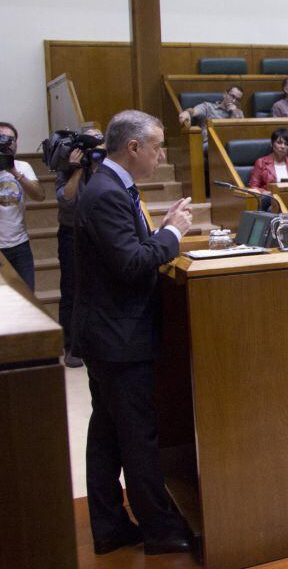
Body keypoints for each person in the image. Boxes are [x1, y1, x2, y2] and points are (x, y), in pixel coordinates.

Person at [71, 110, 194, 556]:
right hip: (118, 338)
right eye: (158, 145)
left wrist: (160, 229)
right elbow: (131, 264)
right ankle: (160, 530)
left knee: (107, 432)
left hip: (110, 334)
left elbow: (131, 248)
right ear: (134, 147)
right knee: (137, 436)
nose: (163, 154)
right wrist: (173, 236)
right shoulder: (106, 192)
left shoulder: (111, 186)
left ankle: (108, 525)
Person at [55, 127, 105, 368]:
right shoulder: (65, 166)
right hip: (71, 234)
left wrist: (96, 167)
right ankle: (71, 346)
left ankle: (94, 341)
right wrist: (77, 170)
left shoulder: (104, 167)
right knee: (72, 290)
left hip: (98, 234)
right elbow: (66, 201)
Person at [0, 121, 44, 291]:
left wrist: (15, 173)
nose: (6, 144)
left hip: (20, 246)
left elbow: (39, 195)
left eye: (10, 140)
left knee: (27, 298)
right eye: (1, 139)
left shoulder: (22, 167)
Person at [178, 85, 244, 140]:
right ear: (225, 94)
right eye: (232, 96)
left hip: (227, 144)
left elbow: (240, 133)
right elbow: (194, 111)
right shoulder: (208, 107)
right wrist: (187, 112)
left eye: (237, 99)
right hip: (209, 144)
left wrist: (234, 112)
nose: (233, 100)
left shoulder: (239, 113)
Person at [248, 127, 288, 191]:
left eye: (286, 144)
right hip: (269, 199)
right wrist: (265, 193)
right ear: (272, 144)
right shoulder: (261, 162)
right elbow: (253, 187)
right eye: (279, 143)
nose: (283, 146)